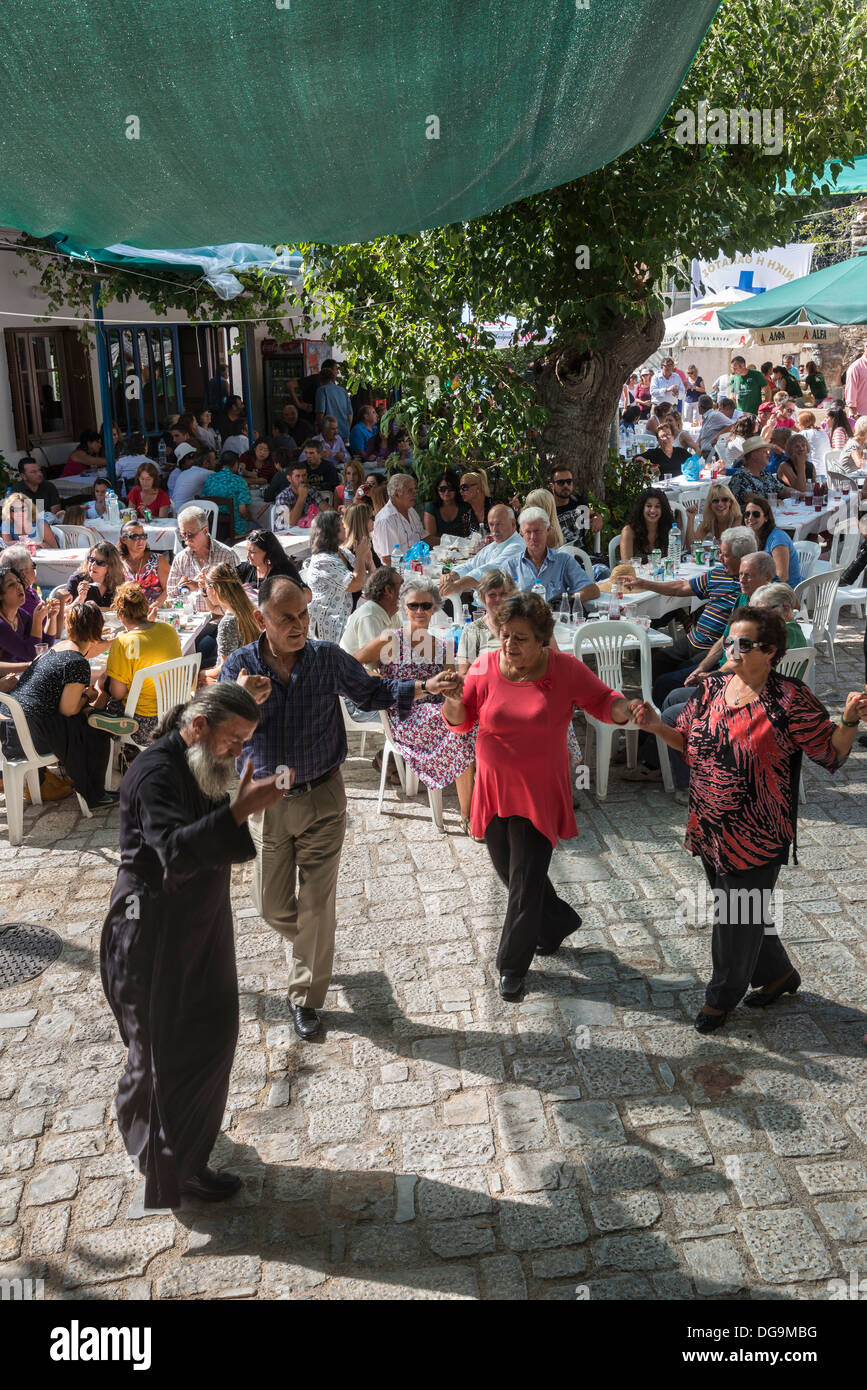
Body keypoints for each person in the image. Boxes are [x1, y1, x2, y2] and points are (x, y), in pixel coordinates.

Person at [219, 573, 457, 1038]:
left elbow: (372, 693)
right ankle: (317, 945)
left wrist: (426, 688)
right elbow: (213, 729)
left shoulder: (327, 658)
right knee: (269, 905)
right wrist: (239, 701)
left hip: (324, 796)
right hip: (268, 800)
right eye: (286, 617)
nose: (298, 624)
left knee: (316, 902)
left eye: (303, 614)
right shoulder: (239, 667)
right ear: (259, 618)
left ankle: (305, 997)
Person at [634, 607, 867, 1033]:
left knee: (733, 919)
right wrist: (654, 727)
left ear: (770, 651)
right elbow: (688, 745)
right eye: (729, 641)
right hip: (709, 821)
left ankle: (720, 998)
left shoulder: (790, 699)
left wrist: (849, 718)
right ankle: (777, 973)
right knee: (739, 909)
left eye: (744, 644)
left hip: (757, 832)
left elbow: (830, 753)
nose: (733, 650)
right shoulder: (714, 688)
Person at [100, 683, 283, 1208]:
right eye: (233, 739)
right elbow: (174, 851)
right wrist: (236, 813)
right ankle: (177, 1170)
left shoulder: (197, 757)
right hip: (152, 931)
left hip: (197, 925)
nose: (238, 752)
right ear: (198, 726)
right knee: (170, 1053)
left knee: (207, 1032)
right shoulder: (154, 774)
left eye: (246, 741)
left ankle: (153, 1129)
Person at [441, 592, 632, 999]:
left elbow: (602, 699)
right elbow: (462, 722)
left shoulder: (563, 669)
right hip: (493, 788)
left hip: (538, 791)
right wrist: (454, 702)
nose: (510, 646)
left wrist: (622, 710)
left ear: (542, 639)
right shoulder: (484, 667)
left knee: (524, 883)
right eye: (505, 635)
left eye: (521, 638)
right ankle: (558, 920)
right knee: (509, 870)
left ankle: (512, 965)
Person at [630, 551, 779, 788]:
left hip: (739, 688)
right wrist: (701, 669)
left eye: (747, 576)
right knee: (668, 688)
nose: (741, 580)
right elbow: (725, 640)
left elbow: (744, 663)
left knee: (671, 709)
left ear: (768, 576)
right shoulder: (744, 599)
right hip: (723, 674)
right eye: (740, 574)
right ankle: (658, 760)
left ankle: (682, 781)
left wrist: (710, 677)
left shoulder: (767, 610)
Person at [0, 600, 120, 809]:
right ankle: (95, 795)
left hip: (8, 725)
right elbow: (68, 709)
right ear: (96, 631)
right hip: (28, 734)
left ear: (70, 626)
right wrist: (87, 697)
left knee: (86, 718)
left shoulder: (55, 648)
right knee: (95, 727)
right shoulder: (77, 662)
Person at [624, 526, 757, 700]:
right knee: (657, 659)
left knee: (669, 680)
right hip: (693, 639)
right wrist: (644, 584)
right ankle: (659, 708)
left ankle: (671, 713)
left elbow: (733, 643)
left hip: (713, 649)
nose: (719, 558)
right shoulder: (717, 574)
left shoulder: (752, 587)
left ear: (742, 558)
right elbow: (682, 587)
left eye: (725, 555)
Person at [97, 582, 183, 747]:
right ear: (146, 608)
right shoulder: (168, 630)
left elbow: (118, 693)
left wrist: (102, 686)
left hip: (143, 724)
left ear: (120, 615)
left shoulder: (123, 642)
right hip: (175, 715)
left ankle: (115, 741)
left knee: (103, 695)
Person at [501, 507, 599, 604]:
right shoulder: (510, 566)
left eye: (537, 531)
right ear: (521, 533)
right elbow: (499, 599)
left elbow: (591, 590)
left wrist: (565, 602)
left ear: (548, 530)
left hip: (556, 617)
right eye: (528, 532)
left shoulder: (563, 561)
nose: (533, 537)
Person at [300, 511, 371, 642]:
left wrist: (369, 560)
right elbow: (356, 584)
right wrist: (360, 557)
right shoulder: (323, 561)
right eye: (341, 526)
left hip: (352, 615)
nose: (345, 528)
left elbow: (369, 581)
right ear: (331, 532)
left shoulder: (342, 551)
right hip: (333, 624)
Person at [166, 506, 238, 628]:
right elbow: (171, 596)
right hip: (190, 621)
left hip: (220, 621)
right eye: (183, 535)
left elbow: (235, 598)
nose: (186, 540)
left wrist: (200, 587)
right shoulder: (181, 558)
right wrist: (181, 588)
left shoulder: (226, 556)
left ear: (205, 531)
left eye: (190, 535)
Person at [438, 504, 523, 598]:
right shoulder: (494, 545)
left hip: (500, 607)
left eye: (499, 524)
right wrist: (452, 575)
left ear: (513, 524)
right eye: (491, 524)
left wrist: (458, 585)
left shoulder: (517, 546)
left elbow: (491, 571)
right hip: (481, 602)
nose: (494, 529)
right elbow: (470, 565)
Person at [199, 564, 262, 677]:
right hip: (249, 668)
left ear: (213, 590)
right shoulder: (244, 607)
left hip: (234, 680)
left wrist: (200, 674)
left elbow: (225, 668)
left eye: (207, 588)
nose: (206, 592)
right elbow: (214, 609)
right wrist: (204, 591)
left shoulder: (227, 624)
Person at [457, 569, 516, 669]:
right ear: (483, 597)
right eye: (492, 595)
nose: (498, 600)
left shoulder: (526, 625)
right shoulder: (473, 630)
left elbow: (548, 660)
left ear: (512, 595)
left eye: (503, 594)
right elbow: (464, 673)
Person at [741, 495, 802, 585]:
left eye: (756, 514)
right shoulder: (750, 537)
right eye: (747, 514)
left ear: (766, 518)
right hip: (765, 585)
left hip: (784, 591)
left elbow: (782, 577)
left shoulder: (777, 538)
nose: (750, 518)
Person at [0, 566, 56, 664]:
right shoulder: (1, 624)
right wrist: (37, 621)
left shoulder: (21, 615)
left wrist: (51, 617)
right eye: (11, 585)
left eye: (18, 581)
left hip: (15, 675)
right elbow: (31, 654)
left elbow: (44, 645)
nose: (19, 586)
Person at [117, 520, 171, 609]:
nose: (141, 540)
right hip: (128, 613)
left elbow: (169, 588)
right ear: (123, 540)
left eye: (143, 536)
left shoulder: (158, 560)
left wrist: (153, 607)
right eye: (135, 536)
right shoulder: (118, 563)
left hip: (155, 611)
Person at [727, 437, 793, 506]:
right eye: (765, 451)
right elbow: (748, 497)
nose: (769, 454)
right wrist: (771, 503)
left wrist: (796, 493)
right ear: (754, 455)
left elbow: (781, 489)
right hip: (752, 515)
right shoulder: (740, 476)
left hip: (773, 514)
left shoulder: (765, 474)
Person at [372, 473, 425, 558]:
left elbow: (424, 538)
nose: (415, 494)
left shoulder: (411, 510)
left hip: (419, 564)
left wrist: (452, 544)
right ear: (396, 494)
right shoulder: (386, 520)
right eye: (410, 491)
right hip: (401, 569)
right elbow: (388, 559)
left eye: (414, 490)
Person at [201, 450, 252, 539]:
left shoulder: (210, 479)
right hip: (235, 529)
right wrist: (249, 516)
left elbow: (204, 501)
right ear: (236, 464)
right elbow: (242, 511)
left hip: (211, 526)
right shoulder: (239, 481)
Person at [235, 528, 303, 595]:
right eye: (248, 551)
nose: (247, 556)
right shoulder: (247, 568)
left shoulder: (284, 570)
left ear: (268, 553)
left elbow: (307, 594)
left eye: (252, 552)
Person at [620, 487, 678, 563]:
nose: (653, 510)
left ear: (663, 510)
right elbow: (626, 565)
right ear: (642, 508)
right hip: (635, 574)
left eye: (657, 506)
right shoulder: (629, 531)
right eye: (649, 506)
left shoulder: (668, 529)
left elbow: (674, 559)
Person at [67, 541, 124, 608]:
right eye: (91, 559)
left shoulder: (118, 581)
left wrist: (98, 609)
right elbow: (63, 612)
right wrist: (80, 599)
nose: (93, 565)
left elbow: (124, 610)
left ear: (111, 566)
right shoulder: (76, 580)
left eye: (100, 562)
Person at [273, 461, 324, 532]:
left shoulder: (311, 491)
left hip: (304, 533)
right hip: (285, 536)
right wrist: (301, 498)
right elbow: (291, 521)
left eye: (304, 475)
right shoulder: (282, 497)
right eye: (297, 476)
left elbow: (325, 507)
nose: (302, 480)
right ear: (289, 479)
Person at [424, 470, 469, 543]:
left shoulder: (465, 506)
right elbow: (430, 538)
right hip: (439, 550)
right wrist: (453, 542)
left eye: (451, 489)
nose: (446, 492)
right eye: (442, 489)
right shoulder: (431, 507)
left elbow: (469, 534)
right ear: (437, 489)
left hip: (463, 549)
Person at [166, 442, 213, 510]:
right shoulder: (177, 474)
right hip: (181, 513)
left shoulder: (183, 472)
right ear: (185, 460)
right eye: (193, 457)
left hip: (176, 511)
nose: (195, 460)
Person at [314, 365, 353, 442]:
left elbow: (320, 413)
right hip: (344, 433)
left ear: (321, 380)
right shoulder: (343, 391)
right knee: (343, 453)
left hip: (329, 435)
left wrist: (319, 430)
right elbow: (350, 414)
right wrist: (346, 429)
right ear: (333, 379)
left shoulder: (322, 390)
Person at [341, 501, 379, 576]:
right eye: (372, 517)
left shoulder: (365, 543)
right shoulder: (352, 550)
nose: (374, 520)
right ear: (362, 522)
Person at [457, 471, 493, 535]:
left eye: (464, 487)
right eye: (460, 488)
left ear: (478, 487)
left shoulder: (495, 506)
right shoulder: (467, 516)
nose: (460, 491)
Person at [844, 341, 867, 418]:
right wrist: (854, 417)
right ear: (864, 348)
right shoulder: (855, 368)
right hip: (862, 416)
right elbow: (851, 393)